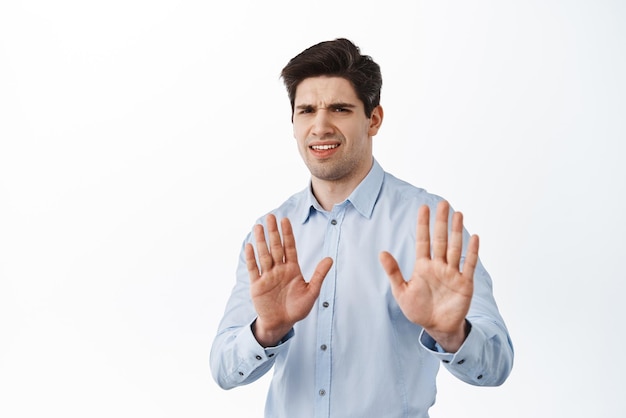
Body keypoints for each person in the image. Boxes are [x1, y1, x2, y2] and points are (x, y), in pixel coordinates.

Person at [210, 38, 514, 418]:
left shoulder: (430, 223)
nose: (320, 126)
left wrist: (453, 334)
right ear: (293, 124)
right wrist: (266, 331)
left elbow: (496, 364)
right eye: (306, 110)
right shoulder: (271, 233)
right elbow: (223, 369)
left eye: (339, 108)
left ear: (373, 119)